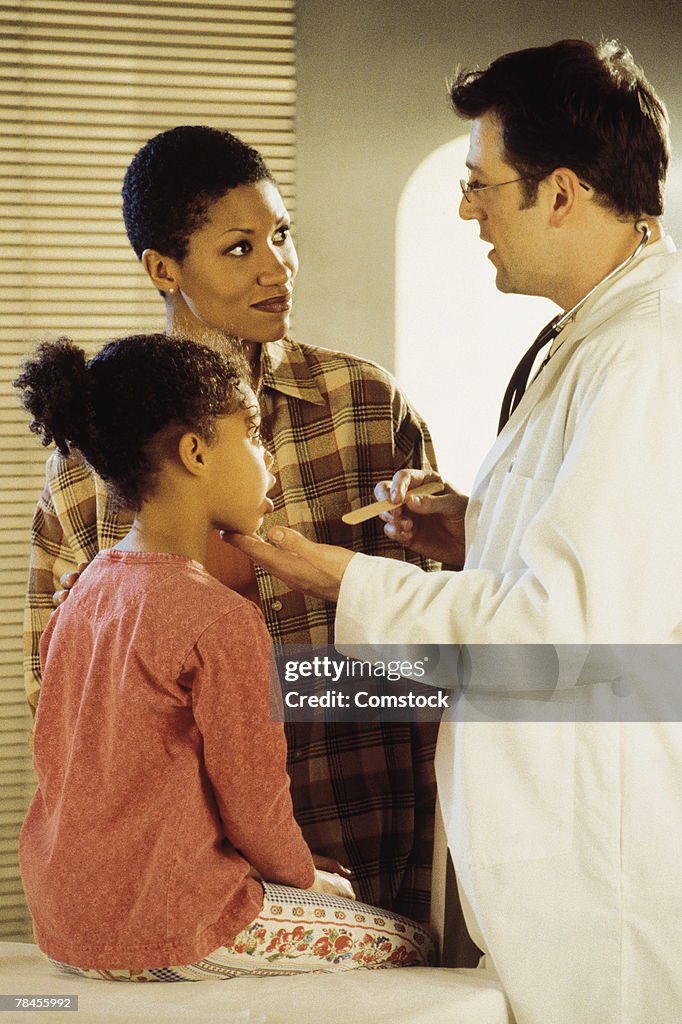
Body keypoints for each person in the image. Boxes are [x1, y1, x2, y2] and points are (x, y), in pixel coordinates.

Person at [227, 40, 682, 1024]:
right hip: (543, 845)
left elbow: (559, 635)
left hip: (597, 871)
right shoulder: (593, 335)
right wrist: (473, 531)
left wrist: (341, 577)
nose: (465, 210)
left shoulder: (649, 354)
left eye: (482, 186)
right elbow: (605, 566)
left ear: (560, 192)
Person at [23, 126, 443, 927]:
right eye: (241, 248)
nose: (278, 266)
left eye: (282, 235)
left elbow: (446, 642)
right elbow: (61, 704)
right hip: (189, 876)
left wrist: (452, 538)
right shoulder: (89, 466)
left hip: (368, 814)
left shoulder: (366, 405)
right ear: (163, 268)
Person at [15, 333, 434, 981]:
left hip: (65, 922)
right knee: (413, 945)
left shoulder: (88, 588)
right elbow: (255, 801)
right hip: (171, 927)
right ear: (195, 451)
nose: (270, 463)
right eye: (254, 437)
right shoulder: (220, 617)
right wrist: (305, 879)